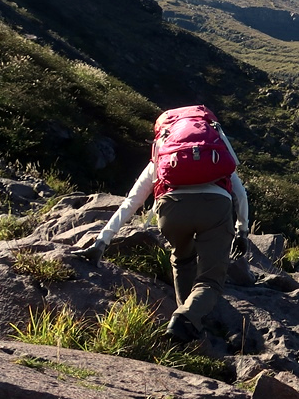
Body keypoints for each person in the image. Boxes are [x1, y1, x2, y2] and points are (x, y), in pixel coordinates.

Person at [76, 107, 250, 343]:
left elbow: (132, 202)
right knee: (210, 280)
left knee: (182, 259)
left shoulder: (162, 155)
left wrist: (102, 241)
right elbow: (240, 195)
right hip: (215, 208)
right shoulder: (216, 152)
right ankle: (186, 317)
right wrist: (242, 230)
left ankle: (185, 319)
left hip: (172, 211)